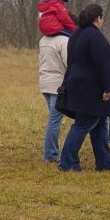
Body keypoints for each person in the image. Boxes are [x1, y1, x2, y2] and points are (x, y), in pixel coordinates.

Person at [58, 4, 110, 172]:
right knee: (83, 124)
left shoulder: (76, 35)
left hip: (75, 84)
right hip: (91, 90)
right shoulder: (96, 38)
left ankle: (105, 163)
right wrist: (108, 88)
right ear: (98, 18)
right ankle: (68, 163)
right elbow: (104, 65)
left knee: (99, 125)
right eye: (102, 17)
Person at [38, 33, 69, 163]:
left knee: (54, 120)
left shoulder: (43, 39)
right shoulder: (64, 41)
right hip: (57, 85)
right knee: (54, 121)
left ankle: (53, 151)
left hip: (44, 83)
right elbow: (69, 63)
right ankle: (50, 154)